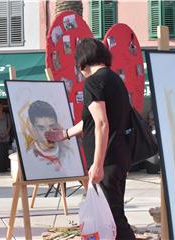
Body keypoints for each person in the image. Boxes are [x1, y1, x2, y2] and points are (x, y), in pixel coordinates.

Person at [46, 38, 136, 240]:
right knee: (113, 215)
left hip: (108, 159)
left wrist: (97, 164)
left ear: (83, 62)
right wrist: (66, 133)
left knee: (114, 218)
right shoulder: (115, 80)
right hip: (119, 155)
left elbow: (101, 123)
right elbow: (92, 120)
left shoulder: (94, 82)